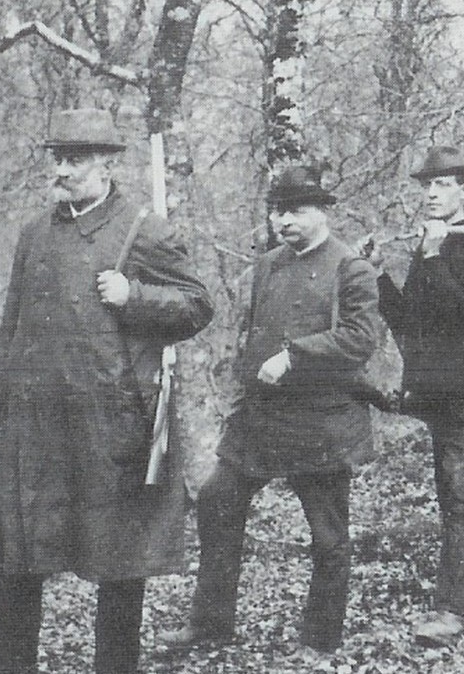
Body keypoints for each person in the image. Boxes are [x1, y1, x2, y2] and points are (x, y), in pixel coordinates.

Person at [0, 108, 214, 674]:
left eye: (76, 159)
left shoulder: (144, 229)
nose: (62, 170)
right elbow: (13, 320)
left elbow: (197, 305)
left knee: (117, 563)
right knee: (19, 559)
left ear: (107, 164)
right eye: (58, 158)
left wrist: (134, 295)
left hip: (110, 427)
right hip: (36, 429)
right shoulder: (35, 233)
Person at [159, 166, 379, 662]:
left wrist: (295, 355)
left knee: (327, 535)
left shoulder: (351, 268)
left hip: (322, 419)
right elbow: (250, 340)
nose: (285, 220)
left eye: (296, 210)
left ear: (323, 211)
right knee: (217, 501)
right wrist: (240, 397)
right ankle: (211, 623)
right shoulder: (267, 266)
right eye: (278, 210)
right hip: (261, 421)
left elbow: (362, 339)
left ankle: (321, 639)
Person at [377, 146, 464, 646]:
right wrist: (378, 276)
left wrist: (434, 256)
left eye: (442, 185)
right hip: (441, 397)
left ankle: (453, 612)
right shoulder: (431, 246)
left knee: (459, 498)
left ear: (462, 190)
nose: (431, 194)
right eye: (426, 186)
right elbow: (412, 323)